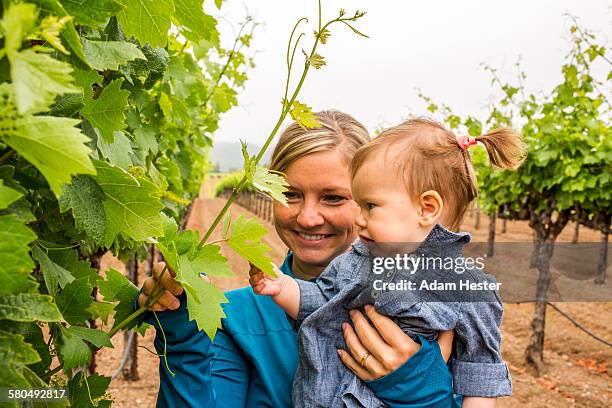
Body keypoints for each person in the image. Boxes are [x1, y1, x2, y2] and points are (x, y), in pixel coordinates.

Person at [136, 111, 455, 407]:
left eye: (333, 198)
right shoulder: (232, 319)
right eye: (290, 194)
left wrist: (422, 389)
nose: (308, 217)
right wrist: (182, 337)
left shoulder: (431, 308)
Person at [250, 118, 524, 407]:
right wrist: (283, 288)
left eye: (369, 206)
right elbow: (321, 299)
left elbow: (479, 374)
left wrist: (424, 393)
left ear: (426, 208)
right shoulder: (358, 260)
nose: (359, 218)